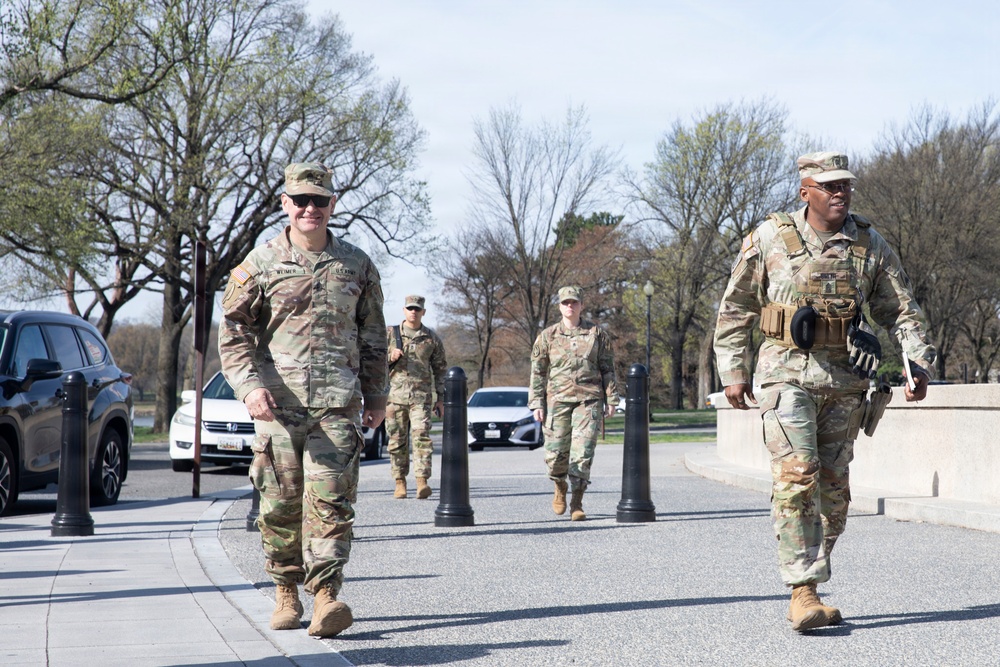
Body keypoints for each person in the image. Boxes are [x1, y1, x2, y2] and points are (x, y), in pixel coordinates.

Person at [713, 151, 936, 632]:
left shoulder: (869, 243)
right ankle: (803, 590)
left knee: (834, 497)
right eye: (830, 186)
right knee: (799, 476)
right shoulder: (771, 237)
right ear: (805, 191)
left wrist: (918, 359)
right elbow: (736, 308)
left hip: (846, 383)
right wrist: (732, 369)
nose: (840, 193)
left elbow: (901, 309)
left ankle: (810, 573)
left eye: (846, 186)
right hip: (786, 375)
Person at [218, 162, 387, 638]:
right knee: (280, 505)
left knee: (332, 503)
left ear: (333, 204)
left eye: (319, 200)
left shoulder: (357, 264)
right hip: (277, 406)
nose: (310, 208)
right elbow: (234, 333)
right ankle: (286, 592)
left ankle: (327, 597)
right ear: (285, 205)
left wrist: (376, 394)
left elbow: (373, 334)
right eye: (301, 200)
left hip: (337, 405)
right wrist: (249, 387)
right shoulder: (260, 264)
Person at [529, 285, 620, 521]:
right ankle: (559, 486)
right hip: (557, 401)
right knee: (556, 456)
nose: (570, 306)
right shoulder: (547, 336)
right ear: (559, 306)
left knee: (582, 454)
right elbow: (537, 373)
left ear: (581, 305)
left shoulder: (597, 334)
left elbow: (608, 368)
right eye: (565, 303)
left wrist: (612, 398)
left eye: (574, 302)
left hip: (588, 401)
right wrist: (537, 403)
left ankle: (577, 503)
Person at [385, 294, 447, 499]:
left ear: (423, 312)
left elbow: (440, 370)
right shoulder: (390, 335)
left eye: (417, 309)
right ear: (404, 310)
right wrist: (389, 356)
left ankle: (422, 481)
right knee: (396, 441)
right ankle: (399, 482)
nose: (413, 311)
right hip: (394, 398)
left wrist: (441, 398)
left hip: (421, 398)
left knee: (421, 438)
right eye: (410, 308)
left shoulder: (431, 338)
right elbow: (372, 362)